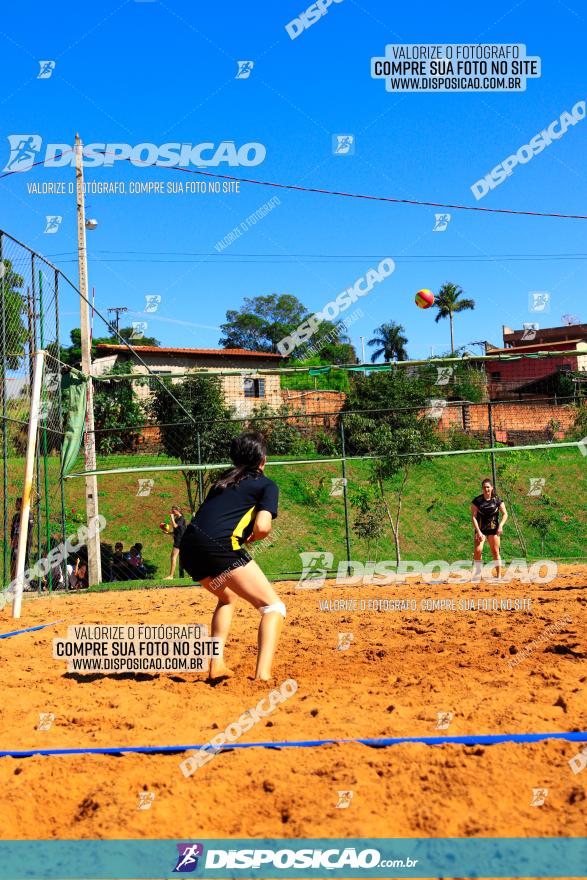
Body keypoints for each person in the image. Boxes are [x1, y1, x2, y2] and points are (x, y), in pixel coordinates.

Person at [179, 430, 284, 681]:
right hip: (219, 547)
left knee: (227, 597)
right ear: (263, 460)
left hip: (189, 547)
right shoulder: (267, 485)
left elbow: (217, 516)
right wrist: (254, 537)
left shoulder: (222, 483)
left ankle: (216, 666)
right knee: (273, 607)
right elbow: (263, 527)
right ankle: (262, 676)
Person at [471, 478, 508, 579]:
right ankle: (478, 574)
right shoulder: (477, 501)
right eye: (484, 487)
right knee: (478, 551)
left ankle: (499, 575)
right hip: (481, 530)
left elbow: (505, 514)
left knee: (495, 552)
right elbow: (473, 517)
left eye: (488, 487)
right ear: (482, 489)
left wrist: (500, 526)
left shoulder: (497, 500)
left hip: (493, 529)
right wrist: (478, 532)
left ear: (491, 488)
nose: (486, 489)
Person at [10, 497, 34, 584]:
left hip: (24, 543)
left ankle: (26, 583)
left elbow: (29, 530)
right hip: (15, 543)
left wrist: (23, 540)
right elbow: (12, 530)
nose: (15, 505)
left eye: (17, 503)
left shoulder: (29, 515)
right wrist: (13, 540)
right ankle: (13, 582)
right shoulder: (15, 516)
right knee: (13, 562)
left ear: (21, 504)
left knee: (25, 562)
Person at [164, 505, 186, 580]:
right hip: (179, 539)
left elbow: (175, 526)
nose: (172, 512)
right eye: (172, 511)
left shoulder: (181, 519)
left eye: (173, 511)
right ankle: (191, 574)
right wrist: (168, 533)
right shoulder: (178, 519)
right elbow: (176, 531)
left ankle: (171, 576)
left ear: (178, 510)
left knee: (173, 557)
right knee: (184, 558)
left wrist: (172, 518)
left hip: (179, 541)